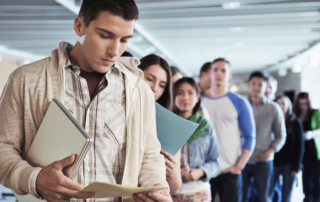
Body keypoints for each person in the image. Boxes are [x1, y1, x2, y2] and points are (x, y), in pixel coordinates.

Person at [0, 1, 172, 202]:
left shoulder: (138, 89)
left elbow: (150, 155)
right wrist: (35, 179)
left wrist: (157, 188)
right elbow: (3, 147)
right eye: (105, 36)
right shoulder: (26, 79)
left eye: (124, 40)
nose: (115, 51)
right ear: (79, 26)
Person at [202, 58, 256, 202]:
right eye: (215, 70)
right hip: (203, 170)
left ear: (229, 75)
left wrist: (239, 165)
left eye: (223, 70)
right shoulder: (198, 100)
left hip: (230, 169)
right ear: (210, 73)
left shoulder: (240, 102)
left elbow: (250, 137)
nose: (219, 73)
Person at [138, 54, 182, 194]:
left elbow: (175, 187)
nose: (155, 88)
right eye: (150, 79)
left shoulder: (170, 127)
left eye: (162, 85)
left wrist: (171, 170)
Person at [171, 77, 219, 202]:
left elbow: (214, 161)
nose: (185, 97)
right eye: (180, 93)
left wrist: (201, 171)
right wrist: (174, 172)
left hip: (199, 192)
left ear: (197, 97)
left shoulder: (206, 127)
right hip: (170, 191)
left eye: (190, 93)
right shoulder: (167, 125)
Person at [242, 71, 286, 202]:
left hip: (264, 160)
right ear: (248, 85)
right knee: (242, 196)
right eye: (253, 84)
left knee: (264, 197)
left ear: (266, 86)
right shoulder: (242, 105)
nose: (256, 87)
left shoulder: (273, 108)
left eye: (260, 84)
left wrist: (269, 153)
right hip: (243, 159)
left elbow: (281, 135)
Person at [271, 95, 304, 202]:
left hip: (289, 164)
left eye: (283, 103)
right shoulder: (272, 121)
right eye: (278, 103)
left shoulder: (295, 122)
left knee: (286, 195)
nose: (280, 106)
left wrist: (296, 166)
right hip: (274, 162)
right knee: (269, 192)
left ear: (288, 106)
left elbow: (300, 146)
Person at [294, 92, 320, 202]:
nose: (303, 107)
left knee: (316, 176)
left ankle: (316, 197)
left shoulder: (316, 113)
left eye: (305, 104)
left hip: (314, 149)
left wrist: (312, 134)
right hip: (302, 150)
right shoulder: (296, 115)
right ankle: (307, 197)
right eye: (300, 104)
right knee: (305, 176)